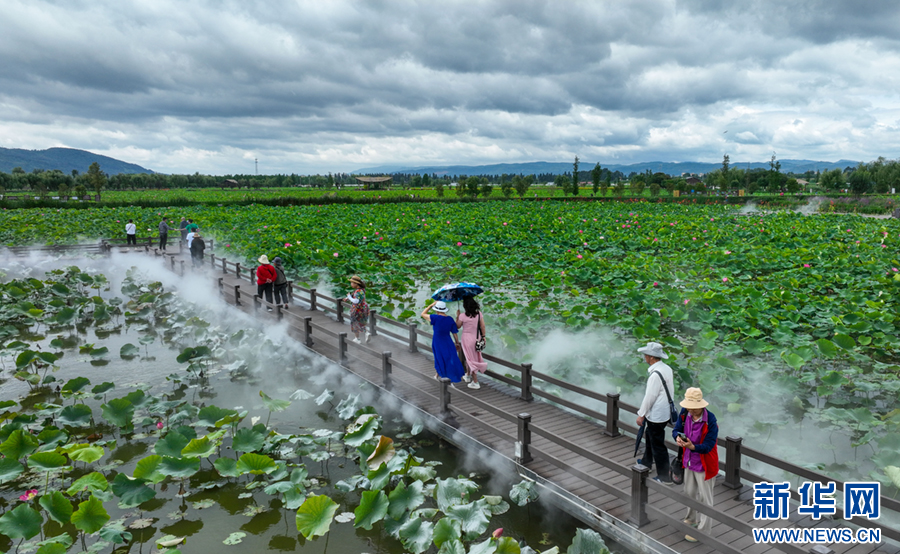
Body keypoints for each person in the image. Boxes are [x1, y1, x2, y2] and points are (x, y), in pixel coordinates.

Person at [673, 388, 719, 543]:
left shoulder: (710, 421)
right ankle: (690, 518)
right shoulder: (685, 413)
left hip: (705, 464)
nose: (691, 410)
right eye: (688, 406)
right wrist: (678, 438)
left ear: (701, 405)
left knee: (706, 499)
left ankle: (703, 531)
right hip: (689, 461)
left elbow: (709, 445)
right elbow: (676, 430)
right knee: (689, 492)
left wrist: (694, 447)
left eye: (693, 407)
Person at [636, 341, 675, 485]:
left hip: (656, 415)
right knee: (651, 437)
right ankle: (646, 463)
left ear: (651, 357)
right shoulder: (667, 368)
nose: (644, 357)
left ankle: (664, 476)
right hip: (665, 412)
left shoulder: (654, 375)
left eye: (646, 355)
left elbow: (650, 397)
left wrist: (642, 414)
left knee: (658, 444)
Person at [420, 301, 465, 383]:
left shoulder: (434, 318)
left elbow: (422, 314)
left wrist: (431, 305)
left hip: (438, 341)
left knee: (439, 357)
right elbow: (454, 332)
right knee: (450, 358)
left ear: (437, 310)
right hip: (448, 341)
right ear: (444, 310)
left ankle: (441, 376)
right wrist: (457, 343)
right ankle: (438, 375)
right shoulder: (450, 319)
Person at [456, 297, 487, 389]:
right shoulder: (479, 314)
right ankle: (468, 375)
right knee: (472, 357)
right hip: (477, 338)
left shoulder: (462, 316)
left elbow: (457, 326)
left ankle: (475, 382)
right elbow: (483, 326)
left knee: (470, 358)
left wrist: (457, 316)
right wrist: (484, 337)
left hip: (467, 339)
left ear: (465, 306)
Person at [345, 275, 369, 343]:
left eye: (352, 283)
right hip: (364, 308)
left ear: (356, 283)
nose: (351, 284)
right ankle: (367, 333)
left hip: (357, 309)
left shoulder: (358, 291)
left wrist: (349, 297)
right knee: (361, 322)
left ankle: (357, 339)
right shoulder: (362, 290)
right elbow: (355, 297)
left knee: (354, 323)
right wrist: (347, 298)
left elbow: (356, 301)